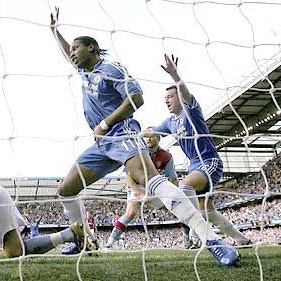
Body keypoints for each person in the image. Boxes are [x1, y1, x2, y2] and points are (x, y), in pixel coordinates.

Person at [49, 8, 240, 266]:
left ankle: (212, 240)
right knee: (66, 190)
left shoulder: (110, 68)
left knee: (152, 181)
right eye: (70, 49)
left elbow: (136, 98)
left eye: (76, 48)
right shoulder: (85, 72)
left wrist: (105, 123)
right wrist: (54, 31)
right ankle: (84, 239)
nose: (71, 53)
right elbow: (65, 54)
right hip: (102, 143)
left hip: (122, 133)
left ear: (92, 48)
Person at [149, 54, 251, 247]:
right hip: (195, 166)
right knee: (209, 212)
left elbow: (186, 93)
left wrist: (175, 76)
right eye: (165, 98)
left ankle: (199, 236)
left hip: (209, 162)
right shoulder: (170, 122)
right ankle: (242, 240)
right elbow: (151, 132)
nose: (167, 101)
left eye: (170, 97)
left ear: (180, 97)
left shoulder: (191, 111)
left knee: (184, 186)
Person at [104, 134, 180, 249]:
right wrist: (140, 193)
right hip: (136, 185)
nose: (148, 138)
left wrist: (174, 196)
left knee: (178, 208)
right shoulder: (136, 153)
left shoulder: (166, 156)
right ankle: (109, 243)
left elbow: (173, 178)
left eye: (151, 136)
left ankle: (189, 238)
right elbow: (128, 178)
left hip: (154, 185)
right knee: (131, 213)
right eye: (145, 137)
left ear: (159, 138)